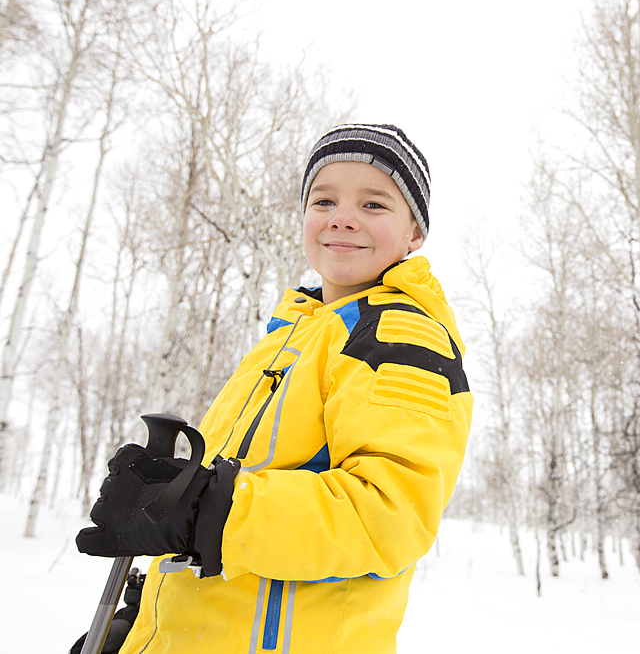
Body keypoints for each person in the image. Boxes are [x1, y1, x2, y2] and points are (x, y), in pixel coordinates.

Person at [74, 124, 474, 653]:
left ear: (414, 234)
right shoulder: (291, 336)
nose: (343, 217)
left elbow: (387, 516)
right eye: (323, 199)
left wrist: (200, 508)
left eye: (374, 205)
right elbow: (235, 501)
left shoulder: (399, 334)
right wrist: (144, 621)